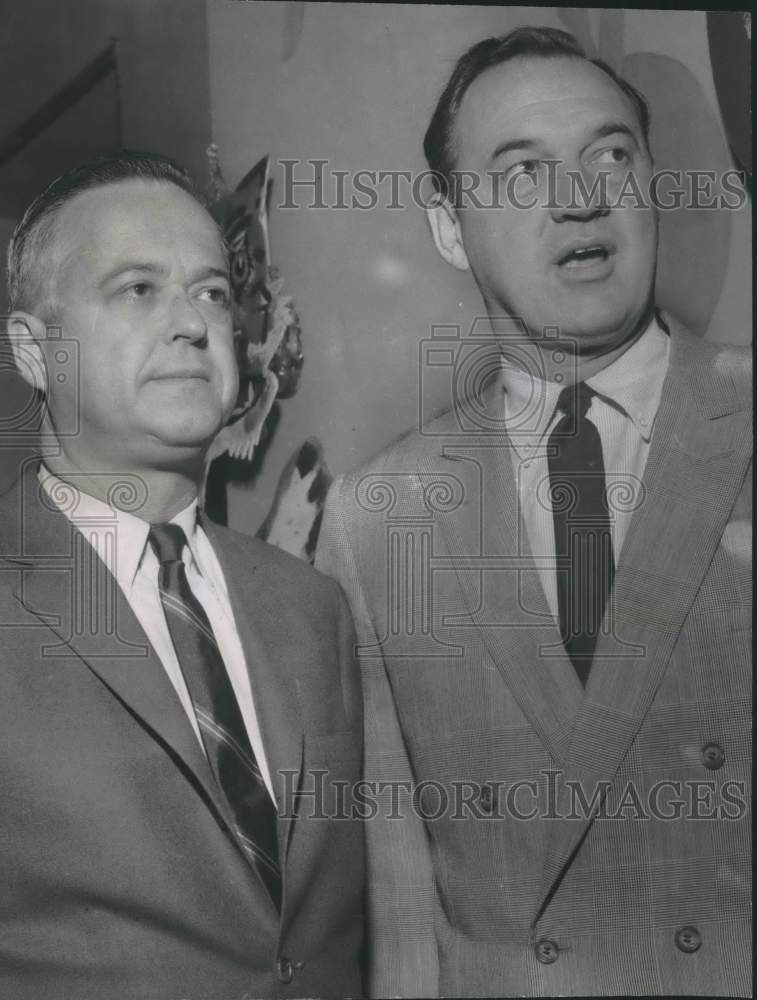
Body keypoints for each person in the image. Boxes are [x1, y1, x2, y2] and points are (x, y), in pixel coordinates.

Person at [316, 26, 751, 998]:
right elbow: (398, 909)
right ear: (446, 224)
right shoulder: (378, 517)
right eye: (520, 172)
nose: (580, 197)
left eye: (610, 154)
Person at [1, 151, 364, 1000]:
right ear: (30, 352)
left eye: (210, 291)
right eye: (136, 289)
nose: (194, 324)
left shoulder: (310, 605)